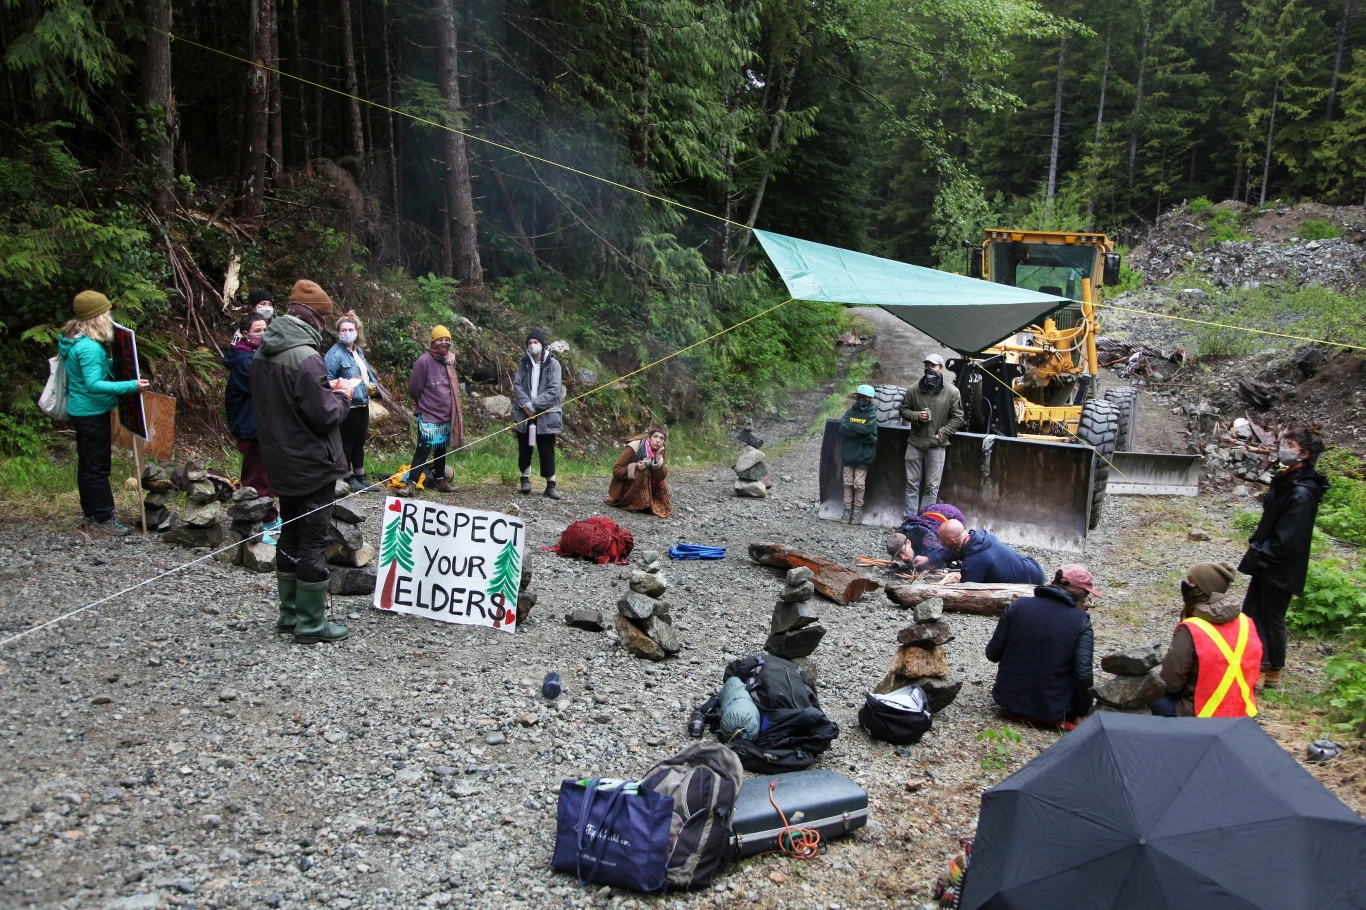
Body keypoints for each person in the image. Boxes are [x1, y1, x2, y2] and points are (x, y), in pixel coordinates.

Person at [251, 279, 351, 645]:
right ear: (314, 318)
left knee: (289, 534)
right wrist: (341, 395)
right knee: (312, 539)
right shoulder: (306, 357)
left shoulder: (264, 350)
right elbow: (324, 415)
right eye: (324, 320)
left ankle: (289, 614)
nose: (324, 327)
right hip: (311, 463)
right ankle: (311, 624)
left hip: (280, 459)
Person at [1238, 423, 1328, 689]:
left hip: (1280, 564)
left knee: (1271, 617)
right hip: (1268, 561)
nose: (1283, 449)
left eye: (1290, 446)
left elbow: (1287, 539)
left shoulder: (1302, 492)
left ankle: (1271, 670)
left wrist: (1260, 552)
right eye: (1284, 443)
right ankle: (1260, 664)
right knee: (1253, 612)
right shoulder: (1289, 479)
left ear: (1304, 455)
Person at [57, 291, 151, 537]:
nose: (110, 316)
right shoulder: (88, 348)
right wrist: (130, 386)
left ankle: (90, 513)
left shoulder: (78, 340)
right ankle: (103, 517)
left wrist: (117, 364)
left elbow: (92, 371)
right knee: (98, 467)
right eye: (106, 312)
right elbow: (93, 384)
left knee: (88, 465)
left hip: (82, 411)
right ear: (96, 317)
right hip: (90, 412)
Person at [985, 565, 1100, 729]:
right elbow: (1083, 674)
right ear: (1080, 593)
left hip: (1007, 702)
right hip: (1051, 711)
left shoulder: (1018, 605)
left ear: (1053, 582)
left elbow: (992, 653)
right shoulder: (1080, 620)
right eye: (1087, 593)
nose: (1087, 597)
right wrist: (1081, 712)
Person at [1152, 562, 1262, 718]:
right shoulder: (1246, 622)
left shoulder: (1191, 629)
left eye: (1190, 581)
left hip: (1200, 713)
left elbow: (1170, 684)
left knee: (1139, 694)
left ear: (1200, 590)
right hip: (1240, 711)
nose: (1184, 583)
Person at [223, 312, 280, 545]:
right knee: (255, 477)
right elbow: (266, 390)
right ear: (246, 334)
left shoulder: (259, 355)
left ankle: (269, 516)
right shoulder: (245, 360)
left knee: (265, 474)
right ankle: (257, 525)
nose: (263, 334)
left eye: (266, 329)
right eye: (257, 331)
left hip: (261, 425)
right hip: (250, 425)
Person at [398, 325, 463, 497]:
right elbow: (414, 388)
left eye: (447, 340)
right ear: (433, 341)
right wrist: (425, 403)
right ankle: (411, 484)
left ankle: (441, 481)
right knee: (423, 449)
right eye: (440, 339)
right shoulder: (423, 361)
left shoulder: (450, 360)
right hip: (428, 414)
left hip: (446, 414)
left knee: (441, 448)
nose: (444, 343)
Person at [899, 353, 964, 518]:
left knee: (931, 486)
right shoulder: (914, 389)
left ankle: (925, 521)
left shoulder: (952, 392)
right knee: (912, 484)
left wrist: (942, 433)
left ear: (941, 369)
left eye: (933, 366)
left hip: (937, 446)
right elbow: (903, 410)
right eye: (927, 365)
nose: (929, 369)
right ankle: (909, 520)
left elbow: (958, 418)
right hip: (915, 443)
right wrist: (916, 416)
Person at [325, 312, 377, 492]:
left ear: (357, 331)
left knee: (360, 440)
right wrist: (342, 388)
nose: (347, 333)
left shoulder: (357, 350)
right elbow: (327, 380)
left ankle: (360, 475)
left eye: (350, 329)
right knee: (347, 442)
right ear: (338, 333)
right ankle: (347, 477)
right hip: (347, 404)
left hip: (362, 402)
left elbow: (366, 374)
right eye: (343, 330)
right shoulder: (334, 354)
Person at [513, 329, 565, 499]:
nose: (533, 345)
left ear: (542, 345)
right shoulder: (524, 364)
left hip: (546, 414)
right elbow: (517, 386)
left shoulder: (554, 365)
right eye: (530, 343)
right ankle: (525, 479)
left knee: (546, 448)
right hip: (525, 414)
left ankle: (551, 484)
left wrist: (535, 405)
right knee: (525, 447)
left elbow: (554, 390)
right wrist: (526, 405)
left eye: (536, 342)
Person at [932, 519, 1045, 585]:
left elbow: (966, 591)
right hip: (1032, 567)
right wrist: (929, 559)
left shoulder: (974, 562)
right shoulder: (980, 536)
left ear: (953, 540)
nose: (943, 545)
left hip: (1032, 584)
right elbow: (955, 550)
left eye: (944, 543)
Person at [605, 424, 671, 518]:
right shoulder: (633, 448)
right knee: (644, 471)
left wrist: (657, 460)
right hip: (627, 486)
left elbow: (662, 476)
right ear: (649, 437)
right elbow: (616, 471)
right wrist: (635, 466)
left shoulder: (661, 450)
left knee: (661, 480)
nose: (658, 441)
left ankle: (650, 503)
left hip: (648, 488)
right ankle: (635, 503)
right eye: (655, 436)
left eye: (661, 438)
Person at [838, 384, 879, 523]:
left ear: (870, 399)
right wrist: (860, 433)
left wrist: (852, 428)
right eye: (859, 397)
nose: (861, 399)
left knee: (859, 484)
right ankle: (847, 509)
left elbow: (868, 431)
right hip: (849, 454)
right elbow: (842, 428)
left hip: (864, 456)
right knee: (847, 483)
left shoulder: (872, 413)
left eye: (865, 397)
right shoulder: (850, 411)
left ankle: (857, 511)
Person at [886, 503, 966, 568]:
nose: (903, 558)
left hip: (952, 515)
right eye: (898, 556)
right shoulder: (904, 532)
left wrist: (931, 562)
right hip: (929, 511)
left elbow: (944, 555)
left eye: (903, 552)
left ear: (909, 542)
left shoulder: (928, 540)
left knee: (955, 547)